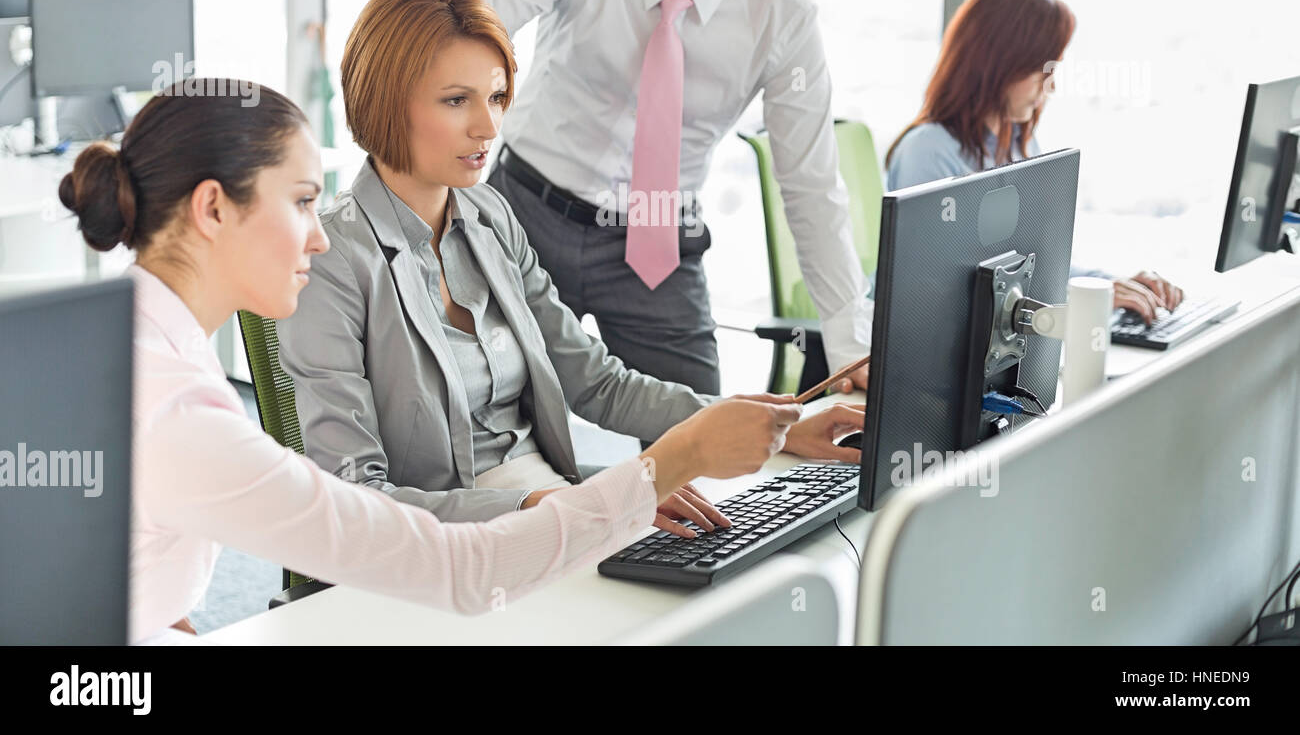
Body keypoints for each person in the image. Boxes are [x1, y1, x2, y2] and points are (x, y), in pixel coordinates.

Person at [58, 78, 810, 642]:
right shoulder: (184, 413)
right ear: (213, 208)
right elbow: (464, 571)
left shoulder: (126, 344)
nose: (319, 238)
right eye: (300, 203)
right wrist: (665, 466)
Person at [278, 0, 864, 538]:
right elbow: (354, 498)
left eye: (498, 97)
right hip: (447, 547)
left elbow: (597, 384)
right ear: (386, 100)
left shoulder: (491, 218)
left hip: (550, 509)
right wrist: (560, 506)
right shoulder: (330, 259)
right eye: (457, 101)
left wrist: (772, 429)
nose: (487, 126)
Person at [472, 0, 871, 396]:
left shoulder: (782, 18)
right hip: (527, 215)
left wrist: (851, 350)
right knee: (485, 416)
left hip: (658, 240)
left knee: (702, 440)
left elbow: (812, 189)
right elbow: (468, 28)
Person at [885, 0, 1183, 322]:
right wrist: (1083, 297)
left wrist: (1107, 286)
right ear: (1001, 63)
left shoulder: (1016, 145)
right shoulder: (929, 151)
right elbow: (944, 294)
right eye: (1046, 71)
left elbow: (1033, 266)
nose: (1052, 86)